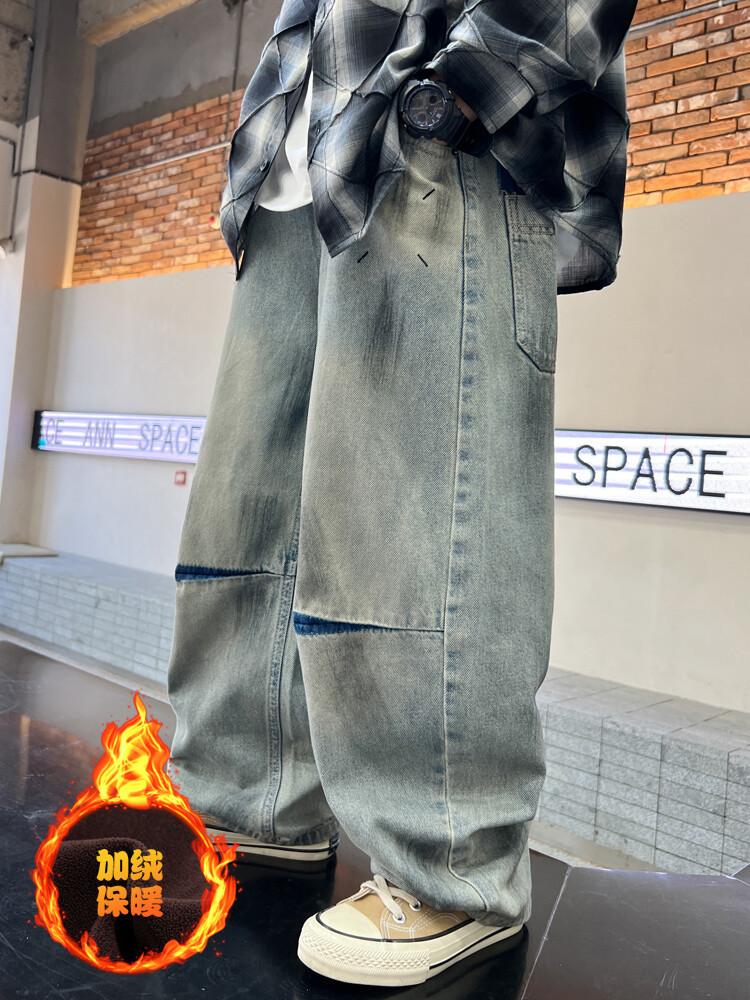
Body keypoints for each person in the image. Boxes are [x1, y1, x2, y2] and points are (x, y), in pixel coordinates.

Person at [166, 0, 638, 987]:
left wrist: (455, 94)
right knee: (250, 506)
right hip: (299, 168)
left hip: (440, 141)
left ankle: (448, 864)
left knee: (421, 514)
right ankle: (249, 799)